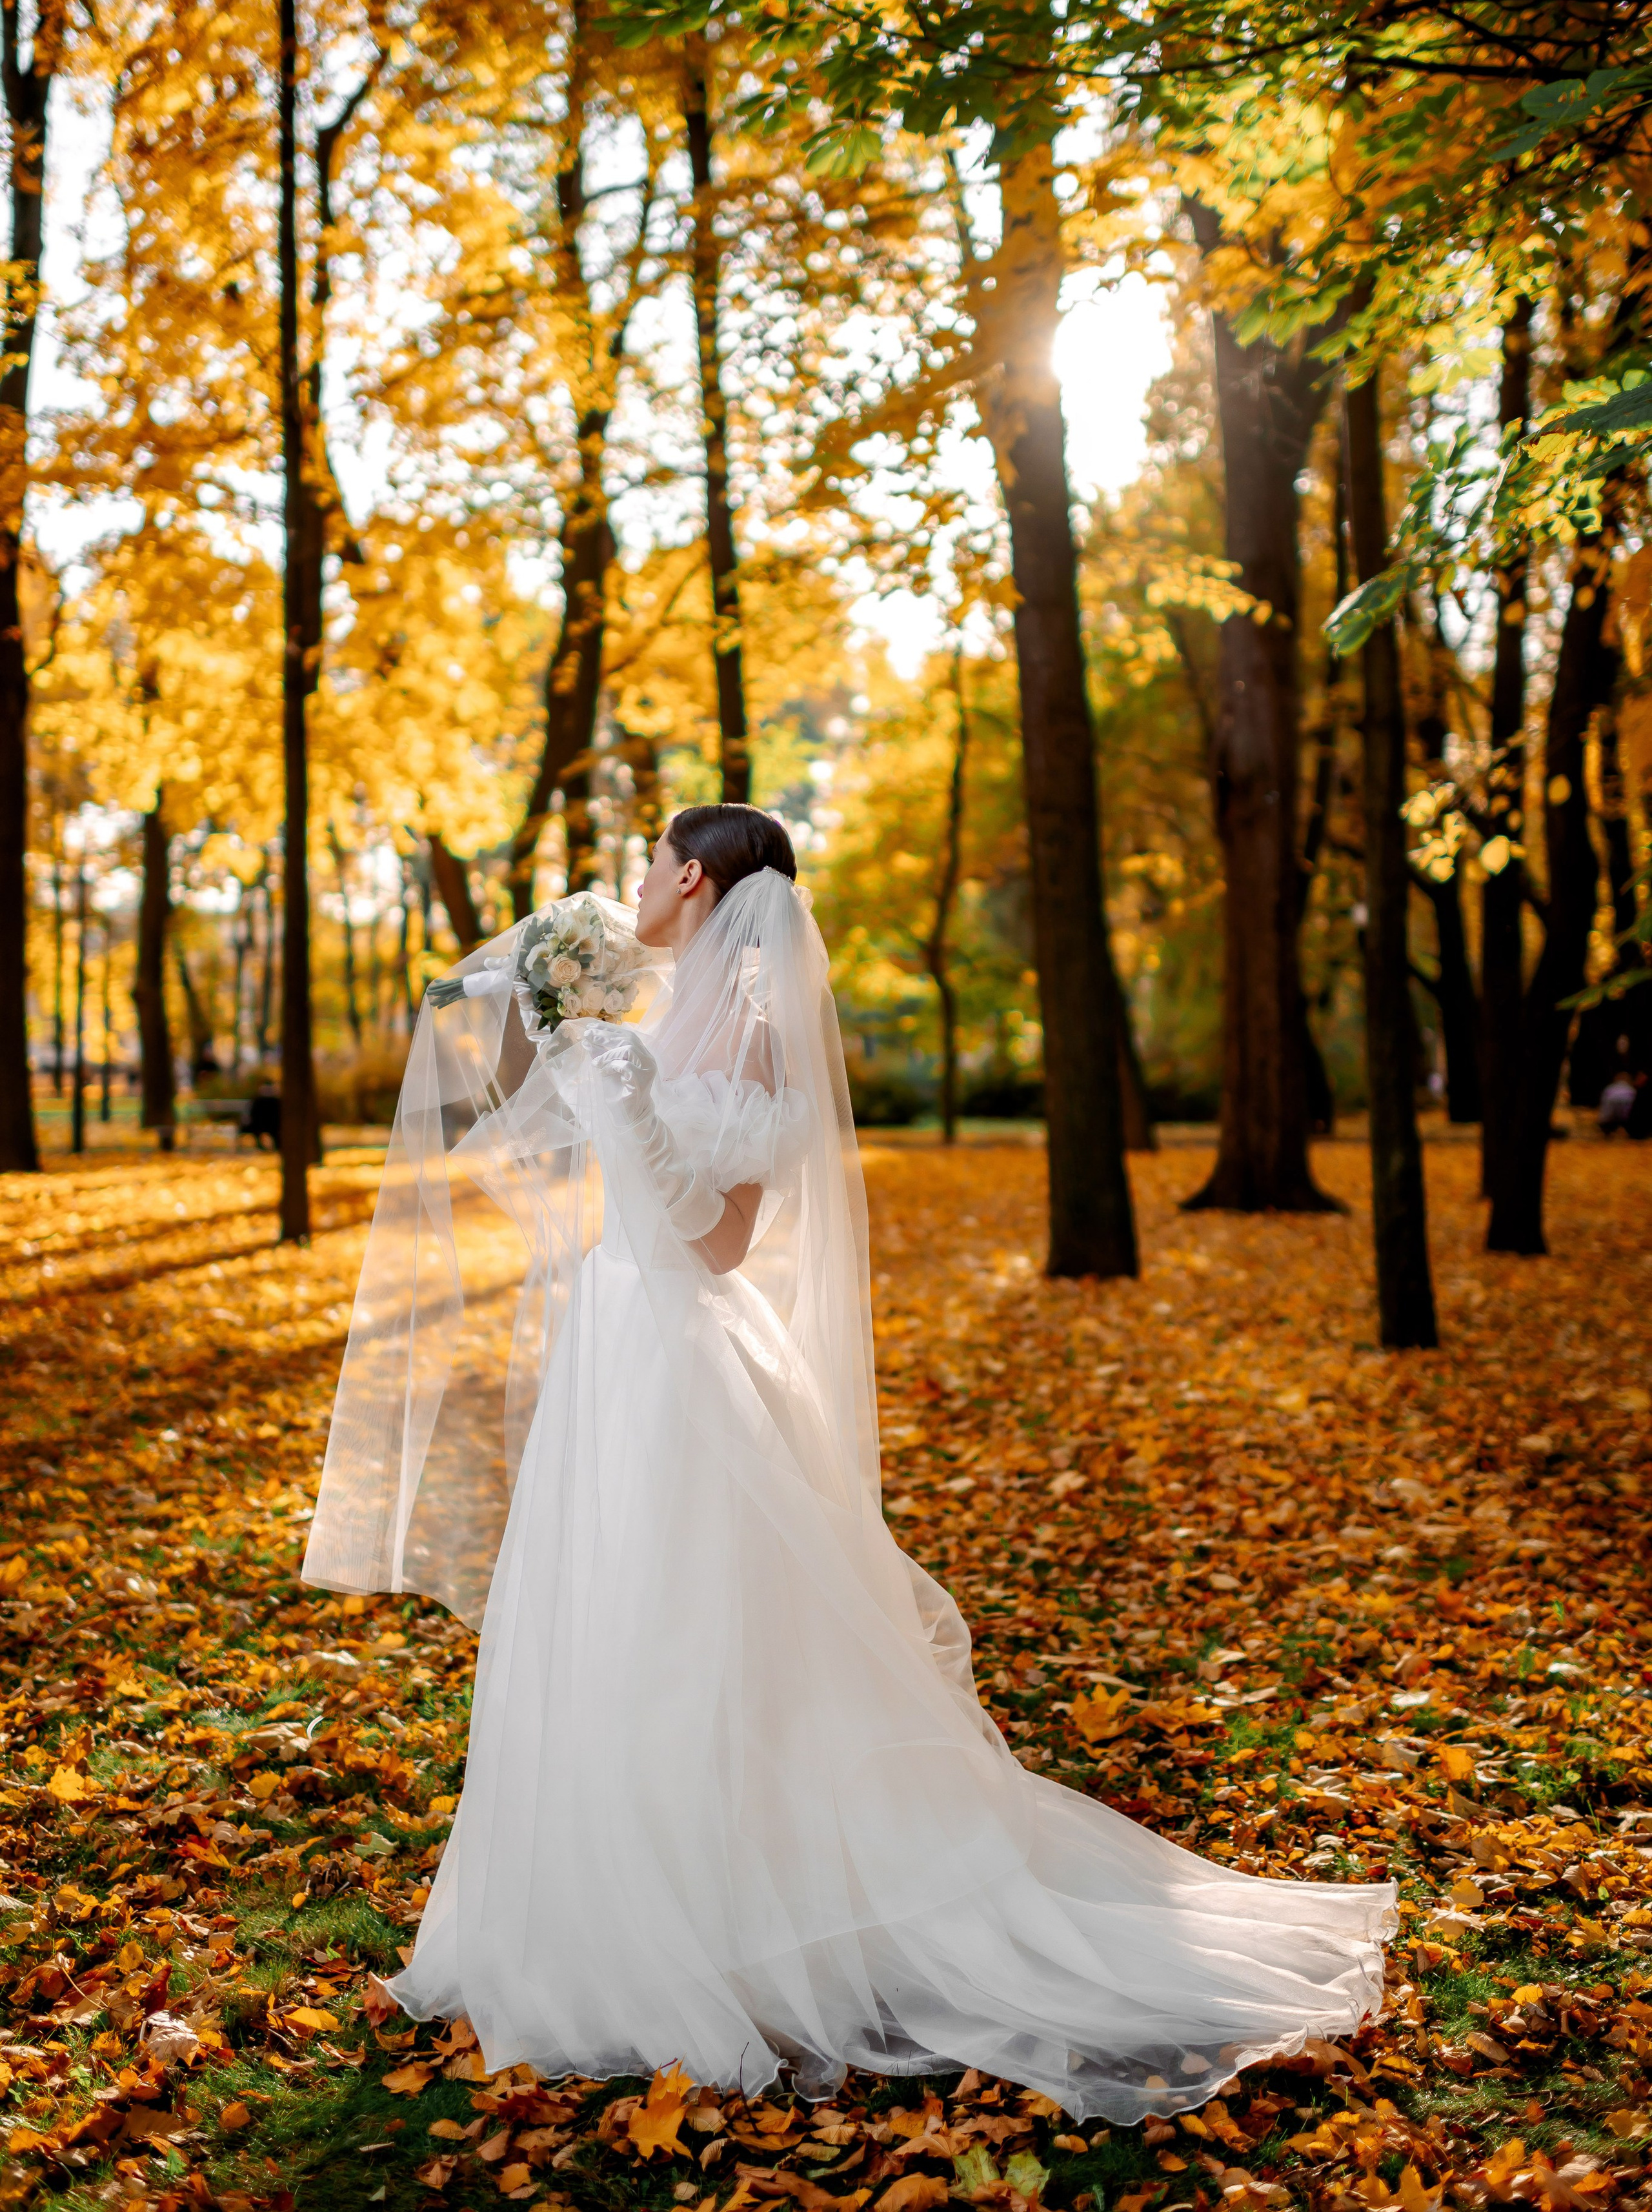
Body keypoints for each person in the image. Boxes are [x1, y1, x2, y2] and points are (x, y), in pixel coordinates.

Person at [302, 803, 1394, 2119]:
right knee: (601, 1629)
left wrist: (634, 1108)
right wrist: (561, 1041)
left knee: (699, 1641)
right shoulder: (641, 1014)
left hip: (681, 1360)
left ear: (692, 877)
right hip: (614, 1348)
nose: (639, 883)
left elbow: (713, 1241)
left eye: (654, 861)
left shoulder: (755, 1031)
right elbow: (518, 1154)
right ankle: (593, 1915)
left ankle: (736, 1930)